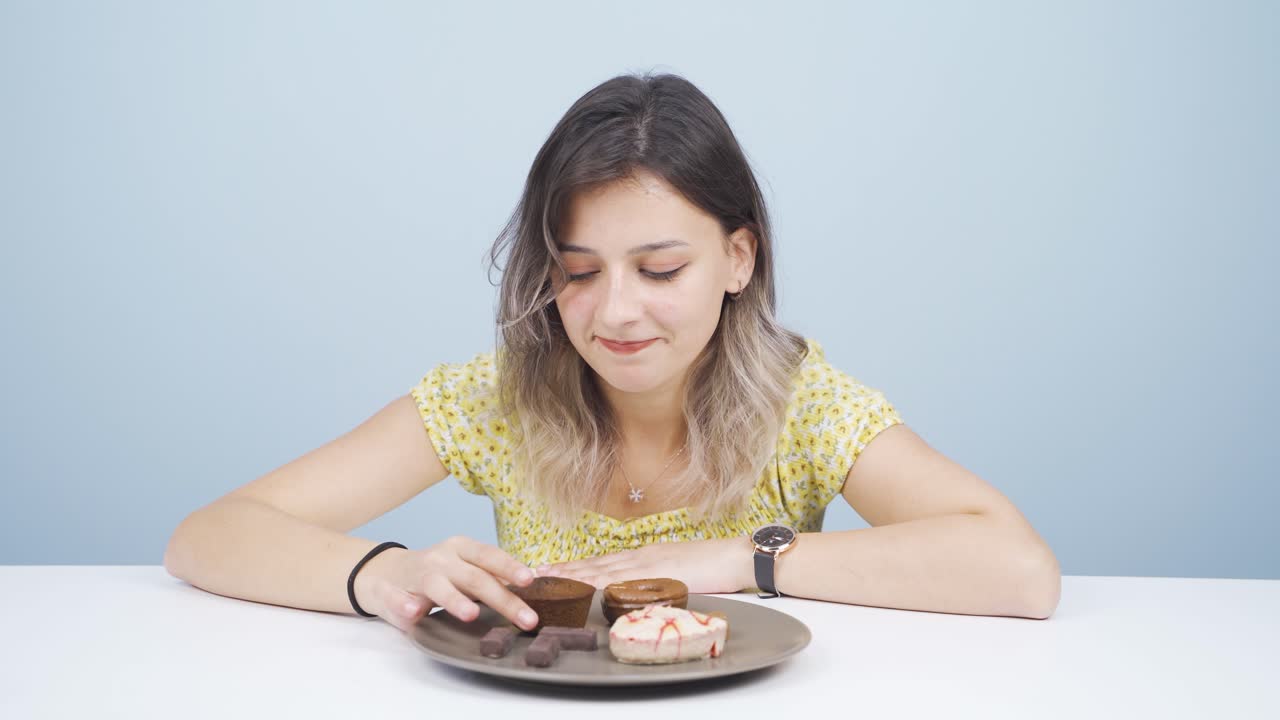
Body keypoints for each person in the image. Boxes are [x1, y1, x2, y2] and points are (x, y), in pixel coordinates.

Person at [164, 73, 1060, 635]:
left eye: (660, 269)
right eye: (579, 271)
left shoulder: (805, 406)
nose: (616, 312)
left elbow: (1019, 569)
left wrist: (744, 559)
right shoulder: (496, 401)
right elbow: (208, 536)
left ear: (737, 259)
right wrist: (389, 575)